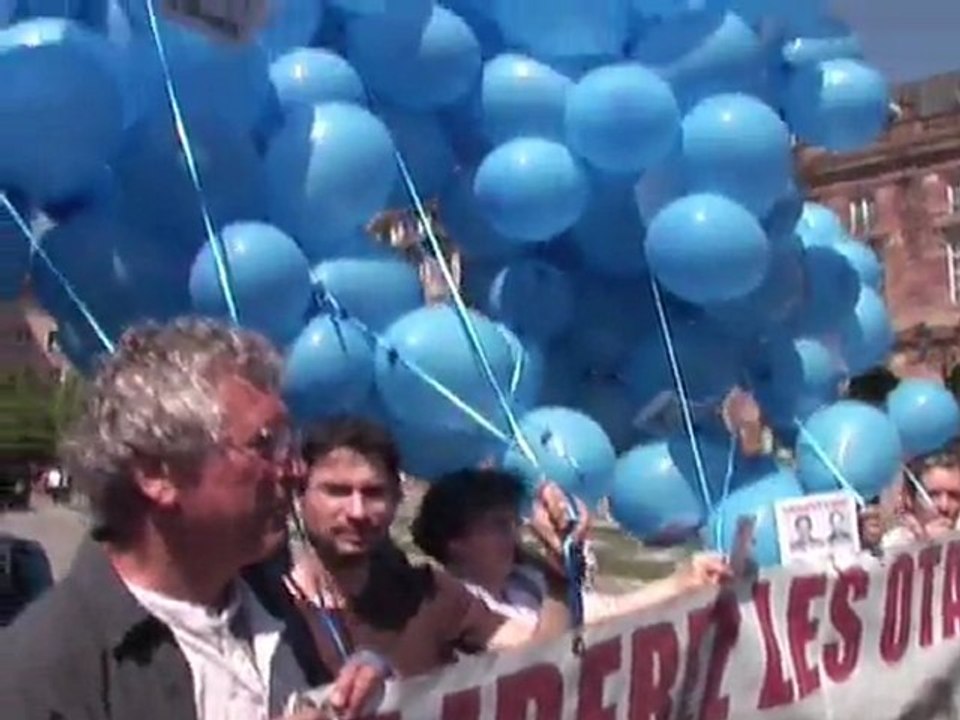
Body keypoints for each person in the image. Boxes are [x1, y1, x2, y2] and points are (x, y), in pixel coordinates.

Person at [0, 318, 387, 720]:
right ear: (156, 474)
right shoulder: (47, 670)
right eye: (265, 445)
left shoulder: (275, 606)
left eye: (290, 443)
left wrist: (362, 680)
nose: (294, 470)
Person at [286, 418, 588, 678]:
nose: (357, 511)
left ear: (396, 500)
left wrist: (558, 571)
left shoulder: (429, 595)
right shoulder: (272, 611)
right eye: (337, 491)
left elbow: (540, 664)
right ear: (300, 495)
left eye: (373, 493)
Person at [410, 469, 731, 626]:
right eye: (498, 525)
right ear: (456, 541)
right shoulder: (449, 605)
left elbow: (606, 612)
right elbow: (537, 651)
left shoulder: (524, 584)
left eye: (512, 522)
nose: (515, 533)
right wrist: (560, 575)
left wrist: (685, 580)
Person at [881, 449, 960, 549]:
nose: (944, 506)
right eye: (933, 495)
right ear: (911, 498)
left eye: (954, 496)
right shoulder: (895, 546)